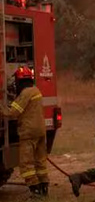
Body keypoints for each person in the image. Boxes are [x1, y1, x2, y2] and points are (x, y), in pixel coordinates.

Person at [1, 66, 48, 197]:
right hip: (41, 130)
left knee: (26, 164)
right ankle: (44, 188)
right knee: (40, 161)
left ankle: (35, 190)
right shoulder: (36, 90)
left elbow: (13, 112)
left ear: (20, 81)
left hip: (29, 132)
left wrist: (1, 108)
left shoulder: (25, 93)